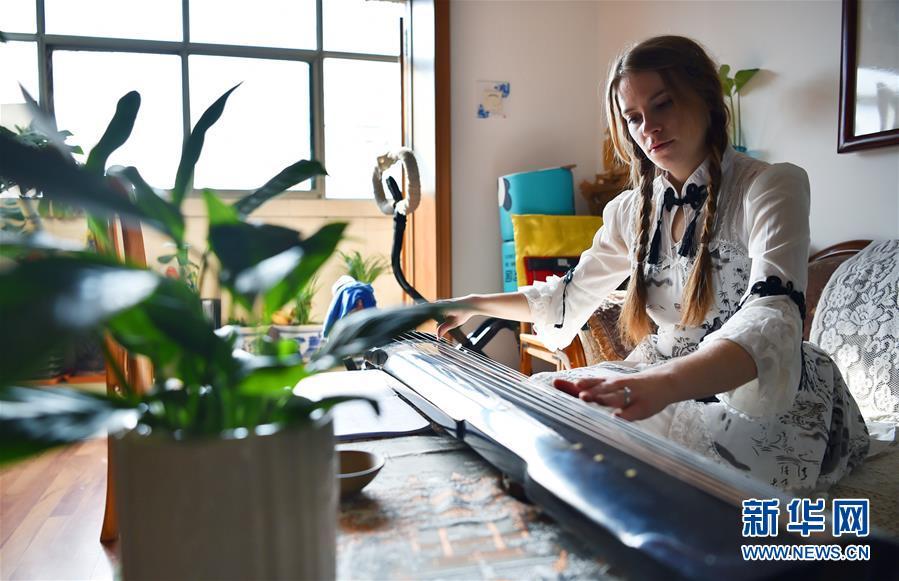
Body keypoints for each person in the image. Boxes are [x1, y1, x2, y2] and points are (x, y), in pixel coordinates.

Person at [437, 35, 869, 493]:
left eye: (663, 105)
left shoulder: (770, 187)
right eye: (634, 118)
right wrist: (473, 302)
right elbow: (567, 296)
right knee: (540, 402)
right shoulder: (631, 211)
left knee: (636, 454)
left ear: (707, 99)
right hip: (659, 373)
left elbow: (773, 317)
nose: (649, 128)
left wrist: (662, 385)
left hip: (758, 392)